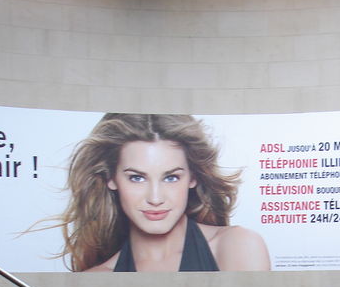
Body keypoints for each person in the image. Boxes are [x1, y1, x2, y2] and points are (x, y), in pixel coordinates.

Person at [55, 113, 270, 273]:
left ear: (193, 177)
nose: (155, 199)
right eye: (137, 178)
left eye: (171, 177)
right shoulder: (97, 277)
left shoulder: (237, 246)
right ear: (111, 179)